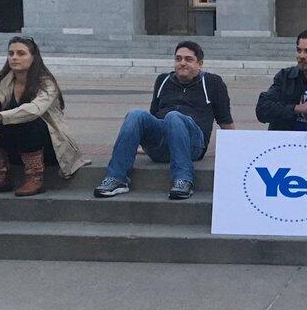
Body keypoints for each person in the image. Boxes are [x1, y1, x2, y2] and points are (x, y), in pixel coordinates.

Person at [94, 41, 234, 200]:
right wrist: (138, 144)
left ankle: (183, 180)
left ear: (199, 64)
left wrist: (237, 150)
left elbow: (224, 119)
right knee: (136, 114)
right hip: (161, 146)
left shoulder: (213, 82)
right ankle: (117, 179)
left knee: (173, 116)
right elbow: (152, 117)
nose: (182, 63)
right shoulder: (163, 80)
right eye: (178, 59)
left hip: (193, 144)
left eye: (188, 59)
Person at [0, 36, 89, 196]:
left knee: (28, 120)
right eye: (11, 53)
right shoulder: (5, 81)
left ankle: (34, 177)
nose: (14, 57)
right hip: (15, 149)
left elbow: (33, 110)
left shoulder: (46, 83)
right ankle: (1, 176)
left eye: (21, 53)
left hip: (48, 150)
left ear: (33, 57)